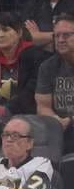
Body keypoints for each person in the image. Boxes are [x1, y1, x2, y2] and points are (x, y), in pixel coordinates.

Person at [0, 11, 43, 129]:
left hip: (29, 116)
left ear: (19, 32)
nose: (0, 35)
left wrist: (6, 110)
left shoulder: (35, 56)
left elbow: (31, 92)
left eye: (5, 30)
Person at [34, 14, 74, 151]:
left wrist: (71, 120)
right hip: (59, 129)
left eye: (66, 35)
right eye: (57, 36)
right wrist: (56, 120)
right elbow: (43, 106)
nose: (60, 40)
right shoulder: (47, 67)